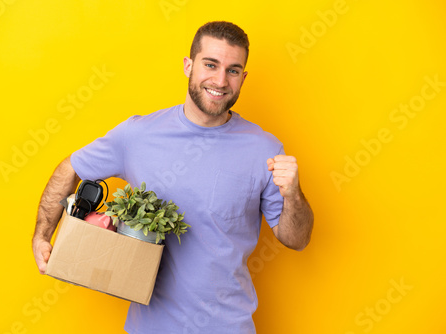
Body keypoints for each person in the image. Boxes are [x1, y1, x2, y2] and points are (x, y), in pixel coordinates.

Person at [32, 21, 313, 334]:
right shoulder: (137, 135)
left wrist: (293, 195)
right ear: (188, 65)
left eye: (233, 70)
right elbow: (70, 167)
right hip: (149, 327)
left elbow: (296, 239)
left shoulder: (265, 149)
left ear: (243, 77)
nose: (220, 80)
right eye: (211, 64)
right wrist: (43, 235)